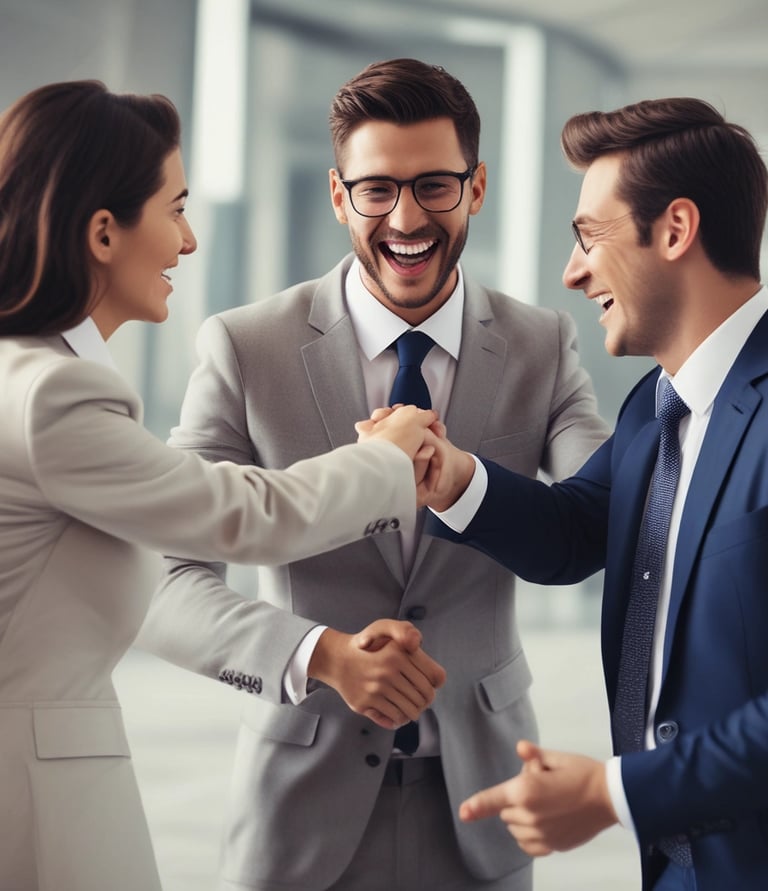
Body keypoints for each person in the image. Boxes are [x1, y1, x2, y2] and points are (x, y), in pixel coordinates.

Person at [137, 58, 609, 891]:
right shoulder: (246, 347)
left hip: (484, 805)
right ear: (336, 194)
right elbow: (167, 582)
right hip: (299, 816)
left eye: (434, 185)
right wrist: (319, 653)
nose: (406, 218)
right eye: (376, 190)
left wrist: (460, 480)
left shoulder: (543, 344)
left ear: (478, 186)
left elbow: (593, 522)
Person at [0, 79, 446, 891]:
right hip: (34, 797)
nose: (190, 239)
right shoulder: (50, 397)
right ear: (103, 231)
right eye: (174, 208)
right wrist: (388, 457)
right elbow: (237, 513)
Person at [420, 96, 768, 891]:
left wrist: (613, 792)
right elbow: (579, 526)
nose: (573, 273)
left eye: (589, 239)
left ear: (676, 230)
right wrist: (449, 475)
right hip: (676, 868)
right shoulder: (655, 404)